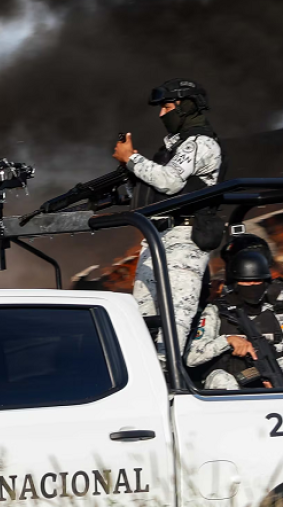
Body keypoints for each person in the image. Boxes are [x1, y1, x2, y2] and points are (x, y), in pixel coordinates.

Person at [113, 78, 224, 356]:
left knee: (170, 339)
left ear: (186, 107)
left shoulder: (201, 144)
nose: (162, 114)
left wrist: (131, 159)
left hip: (184, 244)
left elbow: (170, 182)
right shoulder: (172, 148)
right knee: (139, 331)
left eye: (167, 106)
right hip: (157, 240)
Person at [186, 250, 283, 390]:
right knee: (221, 379)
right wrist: (227, 341)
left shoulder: (276, 313)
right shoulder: (216, 311)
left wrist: (274, 377)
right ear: (234, 283)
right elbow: (192, 357)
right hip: (229, 386)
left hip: (269, 383)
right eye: (245, 281)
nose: (252, 286)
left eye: (257, 281)